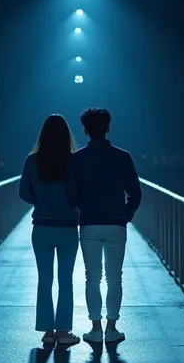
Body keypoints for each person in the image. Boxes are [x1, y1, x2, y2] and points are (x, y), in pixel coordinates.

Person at [69, 107, 142, 343]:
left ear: (85, 130)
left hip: (89, 223)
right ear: (108, 127)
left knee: (92, 277)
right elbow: (136, 192)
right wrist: (126, 214)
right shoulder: (123, 157)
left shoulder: (77, 158)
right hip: (115, 224)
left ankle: (95, 328)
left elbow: (71, 194)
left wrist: (82, 207)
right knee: (114, 277)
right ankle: (112, 328)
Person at [19, 114, 81, 346]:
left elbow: (23, 193)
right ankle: (64, 332)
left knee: (44, 280)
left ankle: (47, 331)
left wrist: (41, 201)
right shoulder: (74, 162)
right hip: (67, 228)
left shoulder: (32, 161)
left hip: (42, 227)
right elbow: (79, 194)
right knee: (66, 280)